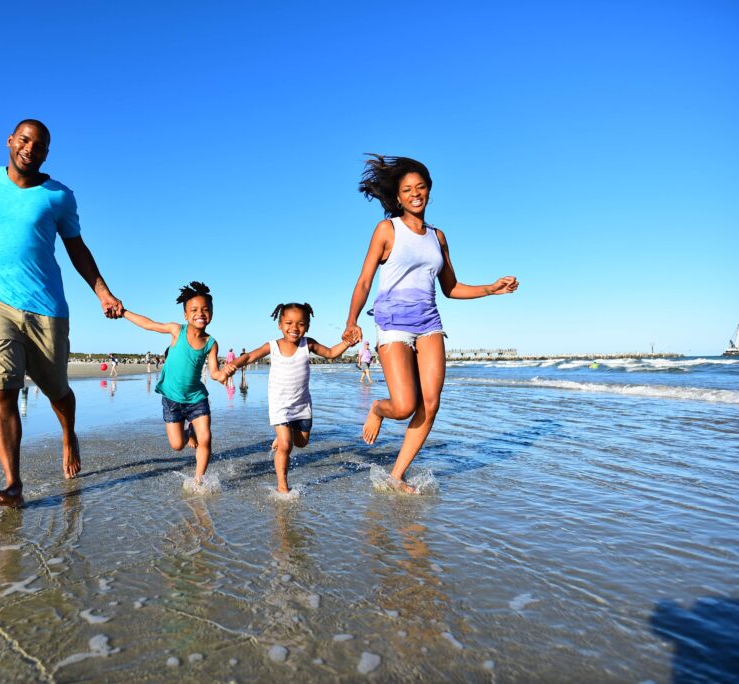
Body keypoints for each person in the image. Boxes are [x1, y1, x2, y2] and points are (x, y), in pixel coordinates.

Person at [0, 118, 123, 508]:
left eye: (39, 145)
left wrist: (103, 293)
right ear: (10, 141)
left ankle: (68, 434)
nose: (30, 148)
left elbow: (77, 249)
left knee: (58, 392)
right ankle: (13, 484)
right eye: (24, 140)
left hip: (46, 309)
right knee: (2, 390)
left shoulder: (58, 196)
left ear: (46, 153)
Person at [343, 155, 518, 493]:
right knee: (405, 404)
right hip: (393, 321)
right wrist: (351, 320)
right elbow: (364, 281)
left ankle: (396, 474)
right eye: (407, 189)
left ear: (429, 191)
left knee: (431, 403)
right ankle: (379, 408)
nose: (415, 193)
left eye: (420, 187)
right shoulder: (386, 230)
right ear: (397, 197)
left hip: (429, 321)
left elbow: (451, 288)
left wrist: (491, 289)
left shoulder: (438, 237)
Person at [225, 303, 353, 493]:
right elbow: (250, 356)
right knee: (286, 445)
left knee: (301, 443)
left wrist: (348, 343)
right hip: (280, 405)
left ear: (307, 326)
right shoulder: (273, 346)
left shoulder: (307, 344)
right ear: (280, 324)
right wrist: (232, 365)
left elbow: (331, 354)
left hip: (301, 405)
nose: (294, 328)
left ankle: (283, 437)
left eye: (300, 324)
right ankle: (282, 486)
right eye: (289, 323)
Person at [122, 281, 229, 487]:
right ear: (186, 315)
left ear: (212, 313)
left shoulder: (211, 343)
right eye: (194, 310)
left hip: (197, 398)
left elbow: (214, 372)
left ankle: (198, 480)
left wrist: (222, 375)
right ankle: (189, 432)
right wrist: (124, 312)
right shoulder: (176, 330)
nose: (200, 313)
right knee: (177, 445)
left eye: (206, 309)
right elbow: (149, 324)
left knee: (206, 438)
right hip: (172, 399)